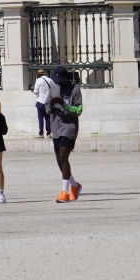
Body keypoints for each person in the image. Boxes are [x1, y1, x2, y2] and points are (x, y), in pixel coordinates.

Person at [48, 65, 83, 202]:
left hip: (69, 126)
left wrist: (63, 103)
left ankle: (64, 192)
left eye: (61, 80)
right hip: (56, 126)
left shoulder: (75, 89)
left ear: (67, 78)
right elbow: (46, 110)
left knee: (63, 155)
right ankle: (74, 185)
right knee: (59, 160)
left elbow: (78, 110)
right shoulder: (53, 88)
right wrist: (50, 105)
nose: (59, 83)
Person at [33, 69, 53, 137]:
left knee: (40, 118)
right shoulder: (50, 80)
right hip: (48, 102)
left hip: (40, 101)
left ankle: (41, 133)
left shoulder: (38, 80)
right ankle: (48, 133)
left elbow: (36, 91)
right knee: (47, 118)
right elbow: (53, 90)